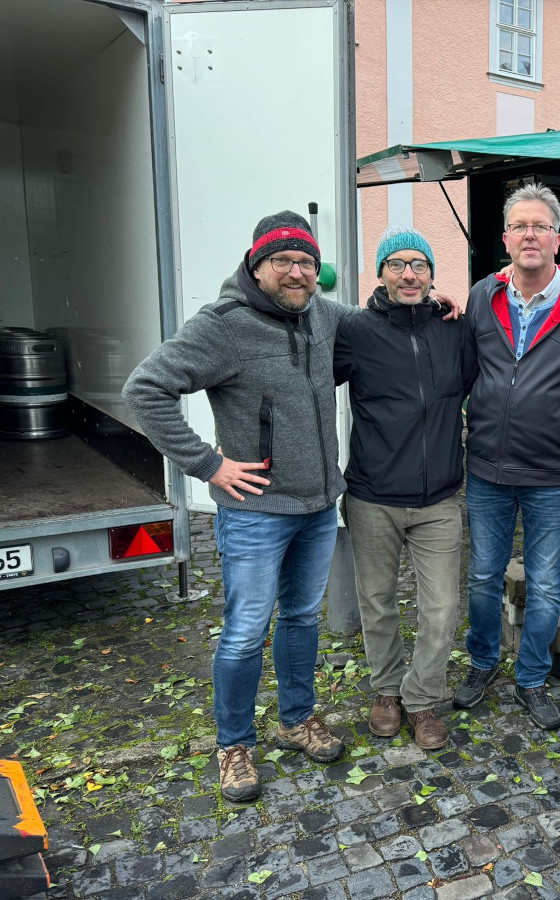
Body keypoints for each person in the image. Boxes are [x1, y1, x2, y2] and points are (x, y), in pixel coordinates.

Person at [123, 211, 349, 803]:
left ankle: (298, 718)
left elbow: (373, 323)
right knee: (247, 630)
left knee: (301, 618)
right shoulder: (224, 325)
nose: (296, 272)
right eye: (283, 262)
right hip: (254, 511)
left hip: (319, 506)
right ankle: (235, 744)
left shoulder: (321, 313)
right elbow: (145, 387)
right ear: (257, 264)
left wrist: (428, 300)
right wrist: (207, 464)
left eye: (306, 261)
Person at [453, 183, 560, 729]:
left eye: (540, 226)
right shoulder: (482, 296)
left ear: (557, 238)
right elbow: (457, 369)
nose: (530, 235)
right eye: (520, 226)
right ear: (506, 238)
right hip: (486, 470)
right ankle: (482, 664)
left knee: (547, 583)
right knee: (482, 575)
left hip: (551, 474)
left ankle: (530, 678)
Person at [333, 227, 472, 750]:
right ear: (381, 273)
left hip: (439, 499)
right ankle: (387, 690)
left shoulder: (455, 331)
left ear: (433, 274)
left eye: (419, 264)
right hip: (372, 496)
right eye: (396, 264)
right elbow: (307, 379)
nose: (409, 273)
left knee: (440, 608)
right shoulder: (356, 331)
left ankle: (422, 697)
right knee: (378, 601)